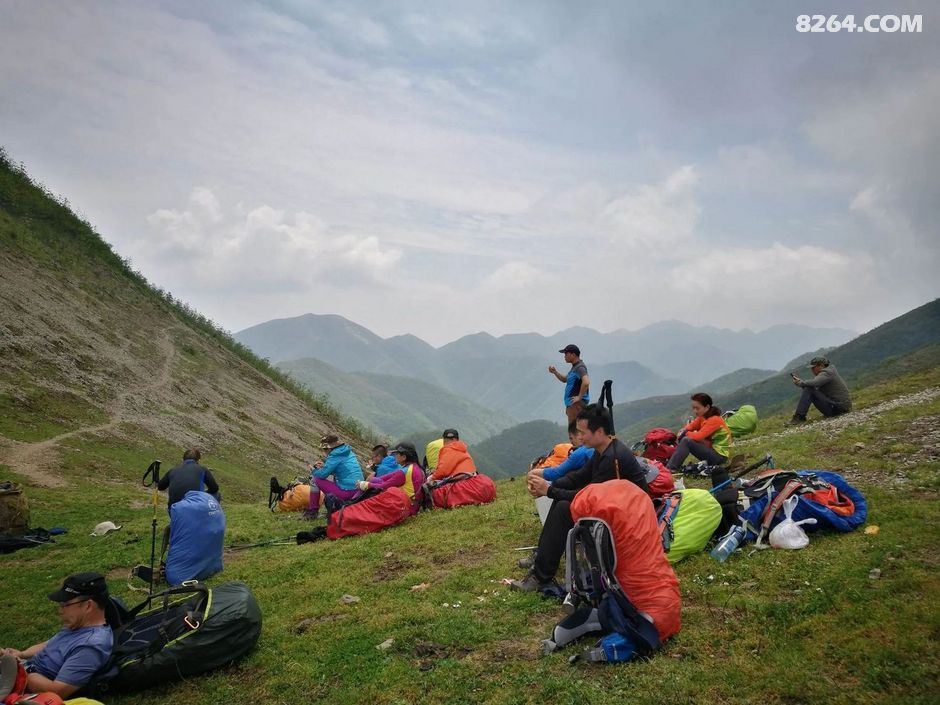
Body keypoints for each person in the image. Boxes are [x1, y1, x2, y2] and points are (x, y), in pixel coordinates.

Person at [510, 404, 650, 592]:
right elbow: (578, 477)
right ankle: (541, 560)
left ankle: (541, 576)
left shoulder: (612, 458)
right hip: (615, 507)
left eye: (583, 433)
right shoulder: (603, 450)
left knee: (563, 509)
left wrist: (549, 491)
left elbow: (588, 497)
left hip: (630, 519)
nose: (580, 437)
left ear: (599, 432)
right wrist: (549, 486)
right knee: (562, 501)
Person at [1, 573, 114, 699]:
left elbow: (57, 691)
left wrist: (20, 672)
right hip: (21, 670)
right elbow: (50, 644)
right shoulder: (77, 625)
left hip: (22, 687)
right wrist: (22, 654)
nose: (60, 611)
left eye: (65, 605)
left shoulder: (90, 646)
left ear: (88, 606)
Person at [665, 393, 732, 472]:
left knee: (687, 441)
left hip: (719, 457)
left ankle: (670, 468)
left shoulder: (714, 419)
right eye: (693, 408)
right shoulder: (703, 416)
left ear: (707, 407)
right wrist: (684, 430)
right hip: (711, 449)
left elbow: (698, 437)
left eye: (697, 408)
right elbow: (692, 426)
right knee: (686, 437)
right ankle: (671, 464)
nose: (695, 411)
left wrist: (685, 433)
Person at [357, 442, 426, 514]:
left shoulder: (404, 472)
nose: (395, 455)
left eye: (397, 453)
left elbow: (384, 486)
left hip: (407, 507)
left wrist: (365, 485)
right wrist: (369, 481)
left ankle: (355, 503)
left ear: (404, 457)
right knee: (374, 480)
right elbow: (386, 477)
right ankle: (355, 502)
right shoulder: (414, 466)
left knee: (373, 488)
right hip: (414, 505)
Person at [787, 356, 852, 425]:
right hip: (838, 407)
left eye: (813, 367)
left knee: (809, 388)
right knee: (809, 388)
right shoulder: (827, 373)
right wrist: (801, 383)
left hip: (839, 408)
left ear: (821, 365)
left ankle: (799, 417)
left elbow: (814, 383)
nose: (812, 370)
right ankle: (799, 417)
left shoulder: (827, 372)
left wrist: (801, 383)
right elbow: (813, 390)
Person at [309, 435, 365, 513]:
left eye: (324, 449)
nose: (324, 451)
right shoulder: (347, 451)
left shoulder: (334, 455)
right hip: (359, 491)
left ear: (328, 448)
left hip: (347, 492)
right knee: (333, 478)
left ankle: (312, 512)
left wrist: (314, 470)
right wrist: (325, 466)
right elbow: (342, 469)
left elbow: (322, 475)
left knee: (314, 480)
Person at [530, 422, 595, 483]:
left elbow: (556, 473)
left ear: (579, 435)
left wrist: (532, 473)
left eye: (571, 438)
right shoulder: (595, 447)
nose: (571, 442)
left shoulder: (580, 453)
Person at [548, 344, 590, 424]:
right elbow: (565, 379)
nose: (564, 356)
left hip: (576, 406)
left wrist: (579, 397)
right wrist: (555, 372)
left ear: (573, 354)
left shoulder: (580, 367)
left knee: (575, 430)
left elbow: (586, 382)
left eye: (566, 354)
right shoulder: (575, 367)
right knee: (575, 429)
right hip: (573, 405)